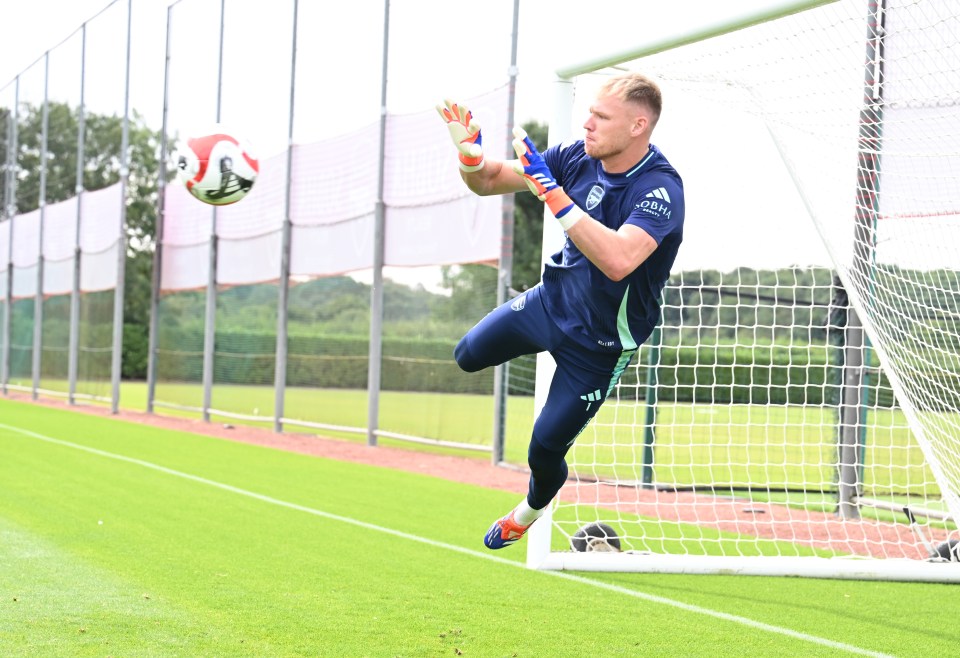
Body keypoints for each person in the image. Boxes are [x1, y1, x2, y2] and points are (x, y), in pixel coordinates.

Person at [436, 72, 685, 549]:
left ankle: (528, 511)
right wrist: (469, 157)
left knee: (544, 446)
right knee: (467, 354)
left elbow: (617, 260)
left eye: (601, 116)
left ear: (637, 126)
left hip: (599, 346)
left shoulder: (660, 190)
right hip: (550, 304)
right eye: (589, 112)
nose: (587, 123)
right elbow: (488, 181)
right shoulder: (575, 156)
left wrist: (553, 194)